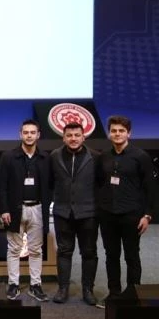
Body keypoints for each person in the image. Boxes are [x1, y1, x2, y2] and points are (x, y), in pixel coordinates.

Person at [95, 115, 158, 306]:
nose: (117, 134)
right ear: (109, 133)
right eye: (113, 131)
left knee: (132, 256)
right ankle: (114, 293)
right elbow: (99, 183)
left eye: (121, 131)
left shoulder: (141, 156)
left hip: (132, 215)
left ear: (129, 133)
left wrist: (147, 215)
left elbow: (151, 187)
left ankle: (132, 295)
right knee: (111, 256)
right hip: (108, 215)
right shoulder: (103, 157)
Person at [0, 119, 51, 302]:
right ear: (20, 134)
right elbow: (2, 186)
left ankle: (35, 285)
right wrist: (4, 209)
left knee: (36, 250)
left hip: (38, 208)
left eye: (32, 132)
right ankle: (13, 284)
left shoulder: (45, 158)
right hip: (14, 210)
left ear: (38, 135)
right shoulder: (8, 156)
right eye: (26, 132)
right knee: (14, 249)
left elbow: (50, 186)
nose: (29, 136)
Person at [49, 122, 99, 305]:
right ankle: (63, 289)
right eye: (69, 135)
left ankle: (88, 290)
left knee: (89, 252)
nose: (73, 138)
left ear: (83, 137)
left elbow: (100, 184)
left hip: (88, 213)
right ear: (63, 137)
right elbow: (50, 182)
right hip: (63, 212)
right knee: (64, 251)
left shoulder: (95, 156)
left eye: (77, 135)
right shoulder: (54, 156)